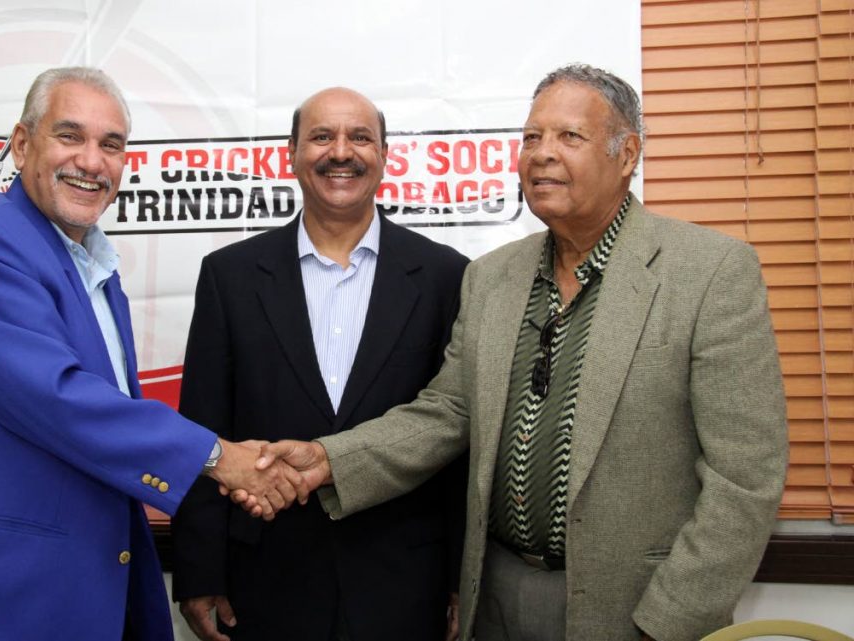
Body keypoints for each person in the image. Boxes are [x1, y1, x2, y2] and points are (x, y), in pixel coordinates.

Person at [247, 65, 789, 641]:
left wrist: (669, 621)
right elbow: (447, 414)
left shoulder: (709, 273)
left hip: (634, 609)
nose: (541, 155)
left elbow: (746, 478)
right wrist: (330, 459)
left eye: (569, 137)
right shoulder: (491, 278)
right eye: (531, 138)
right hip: (497, 602)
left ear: (626, 154)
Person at [0, 66, 301, 641]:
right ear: (19, 143)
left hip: (92, 583)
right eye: (70, 135)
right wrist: (220, 458)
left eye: (111, 145)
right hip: (1, 594)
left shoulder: (96, 267)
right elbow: (53, 397)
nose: (92, 161)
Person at [169, 87, 469, 641]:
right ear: (291, 153)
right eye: (322, 136)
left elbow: (455, 438)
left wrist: (460, 579)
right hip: (265, 579)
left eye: (360, 137)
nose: (341, 152)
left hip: (405, 581)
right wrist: (199, 571)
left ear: (384, 155)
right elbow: (202, 429)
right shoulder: (229, 277)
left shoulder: (447, 276)